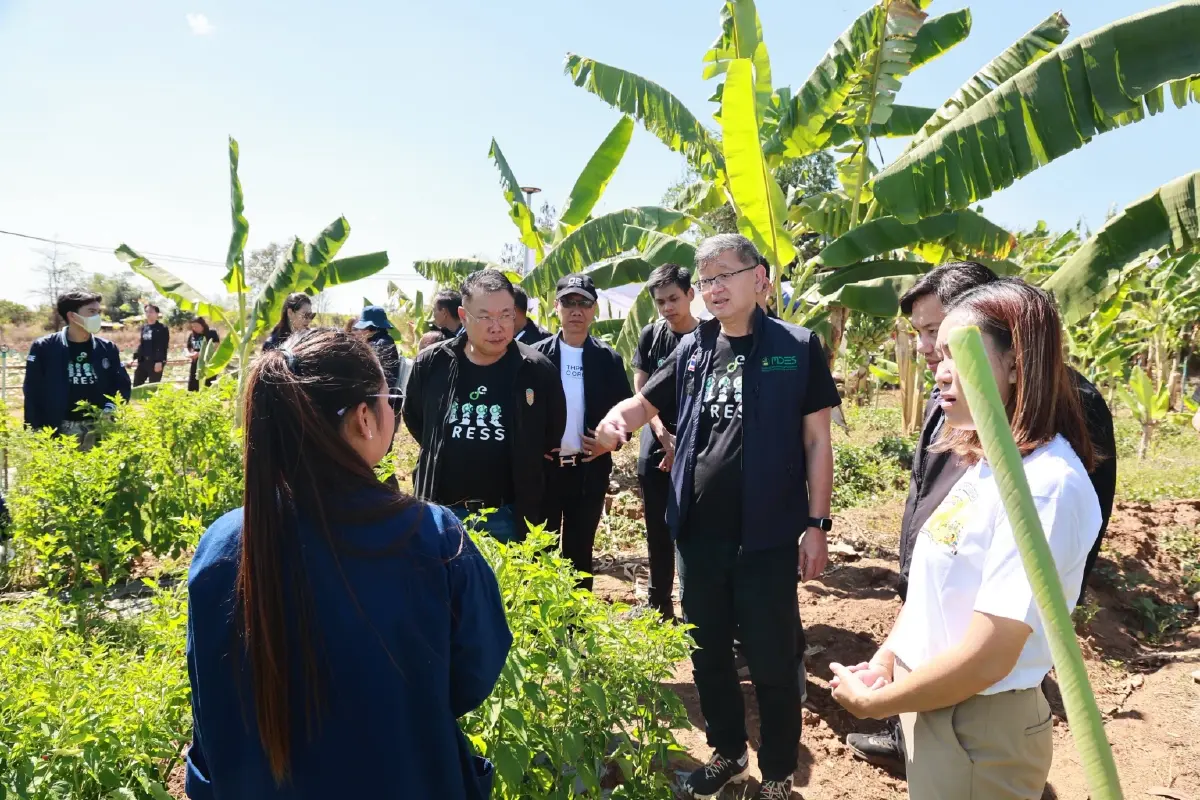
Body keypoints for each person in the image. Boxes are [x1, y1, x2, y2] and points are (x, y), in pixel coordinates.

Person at [185, 328, 511, 799]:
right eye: (388, 396)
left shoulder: (224, 545)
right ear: (363, 417)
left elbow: (209, 691)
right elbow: (473, 674)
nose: (393, 410)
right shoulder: (431, 536)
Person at [830, 280, 1103, 800]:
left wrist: (876, 706)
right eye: (940, 352)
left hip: (977, 728)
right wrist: (889, 657)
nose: (939, 369)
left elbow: (988, 657)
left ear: (1016, 365)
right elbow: (937, 587)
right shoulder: (986, 466)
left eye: (960, 353)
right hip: (939, 710)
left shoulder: (1045, 488)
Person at [593, 234, 839, 800]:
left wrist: (817, 526)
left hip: (769, 536)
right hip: (699, 534)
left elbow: (818, 442)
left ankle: (777, 774)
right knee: (707, 653)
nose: (715, 287)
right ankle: (728, 752)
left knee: (773, 659)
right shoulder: (695, 346)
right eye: (707, 279)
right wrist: (615, 424)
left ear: (761, 278)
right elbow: (644, 403)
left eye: (726, 274)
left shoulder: (797, 346)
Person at [403, 269, 565, 543]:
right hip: (443, 513)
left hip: (508, 516)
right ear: (464, 316)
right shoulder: (433, 364)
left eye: (505, 315)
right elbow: (417, 419)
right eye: (486, 317)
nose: (497, 326)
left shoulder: (536, 370)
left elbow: (551, 431)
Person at [533, 273, 632, 591]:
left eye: (583, 303)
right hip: (544, 472)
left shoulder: (608, 360)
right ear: (556, 307)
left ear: (594, 309)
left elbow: (626, 414)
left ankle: (576, 632)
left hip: (588, 472)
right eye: (569, 302)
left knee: (579, 555)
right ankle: (540, 633)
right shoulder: (534, 357)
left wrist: (610, 444)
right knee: (541, 556)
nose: (576, 310)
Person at [632, 263, 698, 619]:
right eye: (660, 302)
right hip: (656, 438)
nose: (668, 307)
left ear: (690, 295)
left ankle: (695, 607)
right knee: (657, 527)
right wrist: (662, 433)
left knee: (692, 527)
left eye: (674, 298)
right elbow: (641, 390)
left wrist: (681, 444)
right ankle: (659, 606)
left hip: (697, 443)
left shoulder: (710, 337)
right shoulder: (651, 335)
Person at [23, 291, 132, 445]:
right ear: (72, 316)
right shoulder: (45, 348)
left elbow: (121, 383)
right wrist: (34, 427)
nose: (97, 317)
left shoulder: (106, 348)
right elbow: (32, 389)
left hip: (98, 426)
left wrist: (111, 408)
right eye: (92, 312)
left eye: (98, 312)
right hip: (59, 427)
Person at [353, 306, 404, 399]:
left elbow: (382, 378)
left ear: (369, 328)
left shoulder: (381, 344)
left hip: (379, 396)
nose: (359, 331)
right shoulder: (382, 340)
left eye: (361, 328)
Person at [132, 304, 170, 387]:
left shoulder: (162, 328)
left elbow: (163, 345)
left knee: (152, 387)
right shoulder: (144, 328)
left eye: (151, 312)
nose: (148, 314)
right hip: (143, 361)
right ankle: (138, 400)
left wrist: (159, 361)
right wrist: (135, 357)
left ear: (157, 314)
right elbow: (142, 344)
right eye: (147, 312)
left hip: (155, 362)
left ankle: (152, 400)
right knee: (137, 385)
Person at [186, 317, 221, 392]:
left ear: (203, 325)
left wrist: (200, 354)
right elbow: (189, 347)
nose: (195, 328)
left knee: (208, 383)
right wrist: (191, 354)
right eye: (193, 326)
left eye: (197, 326)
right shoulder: (192, 335)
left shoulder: (211, 333)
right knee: (194, 383)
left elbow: (215, 345)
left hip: (208, 362)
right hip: (196, 363)